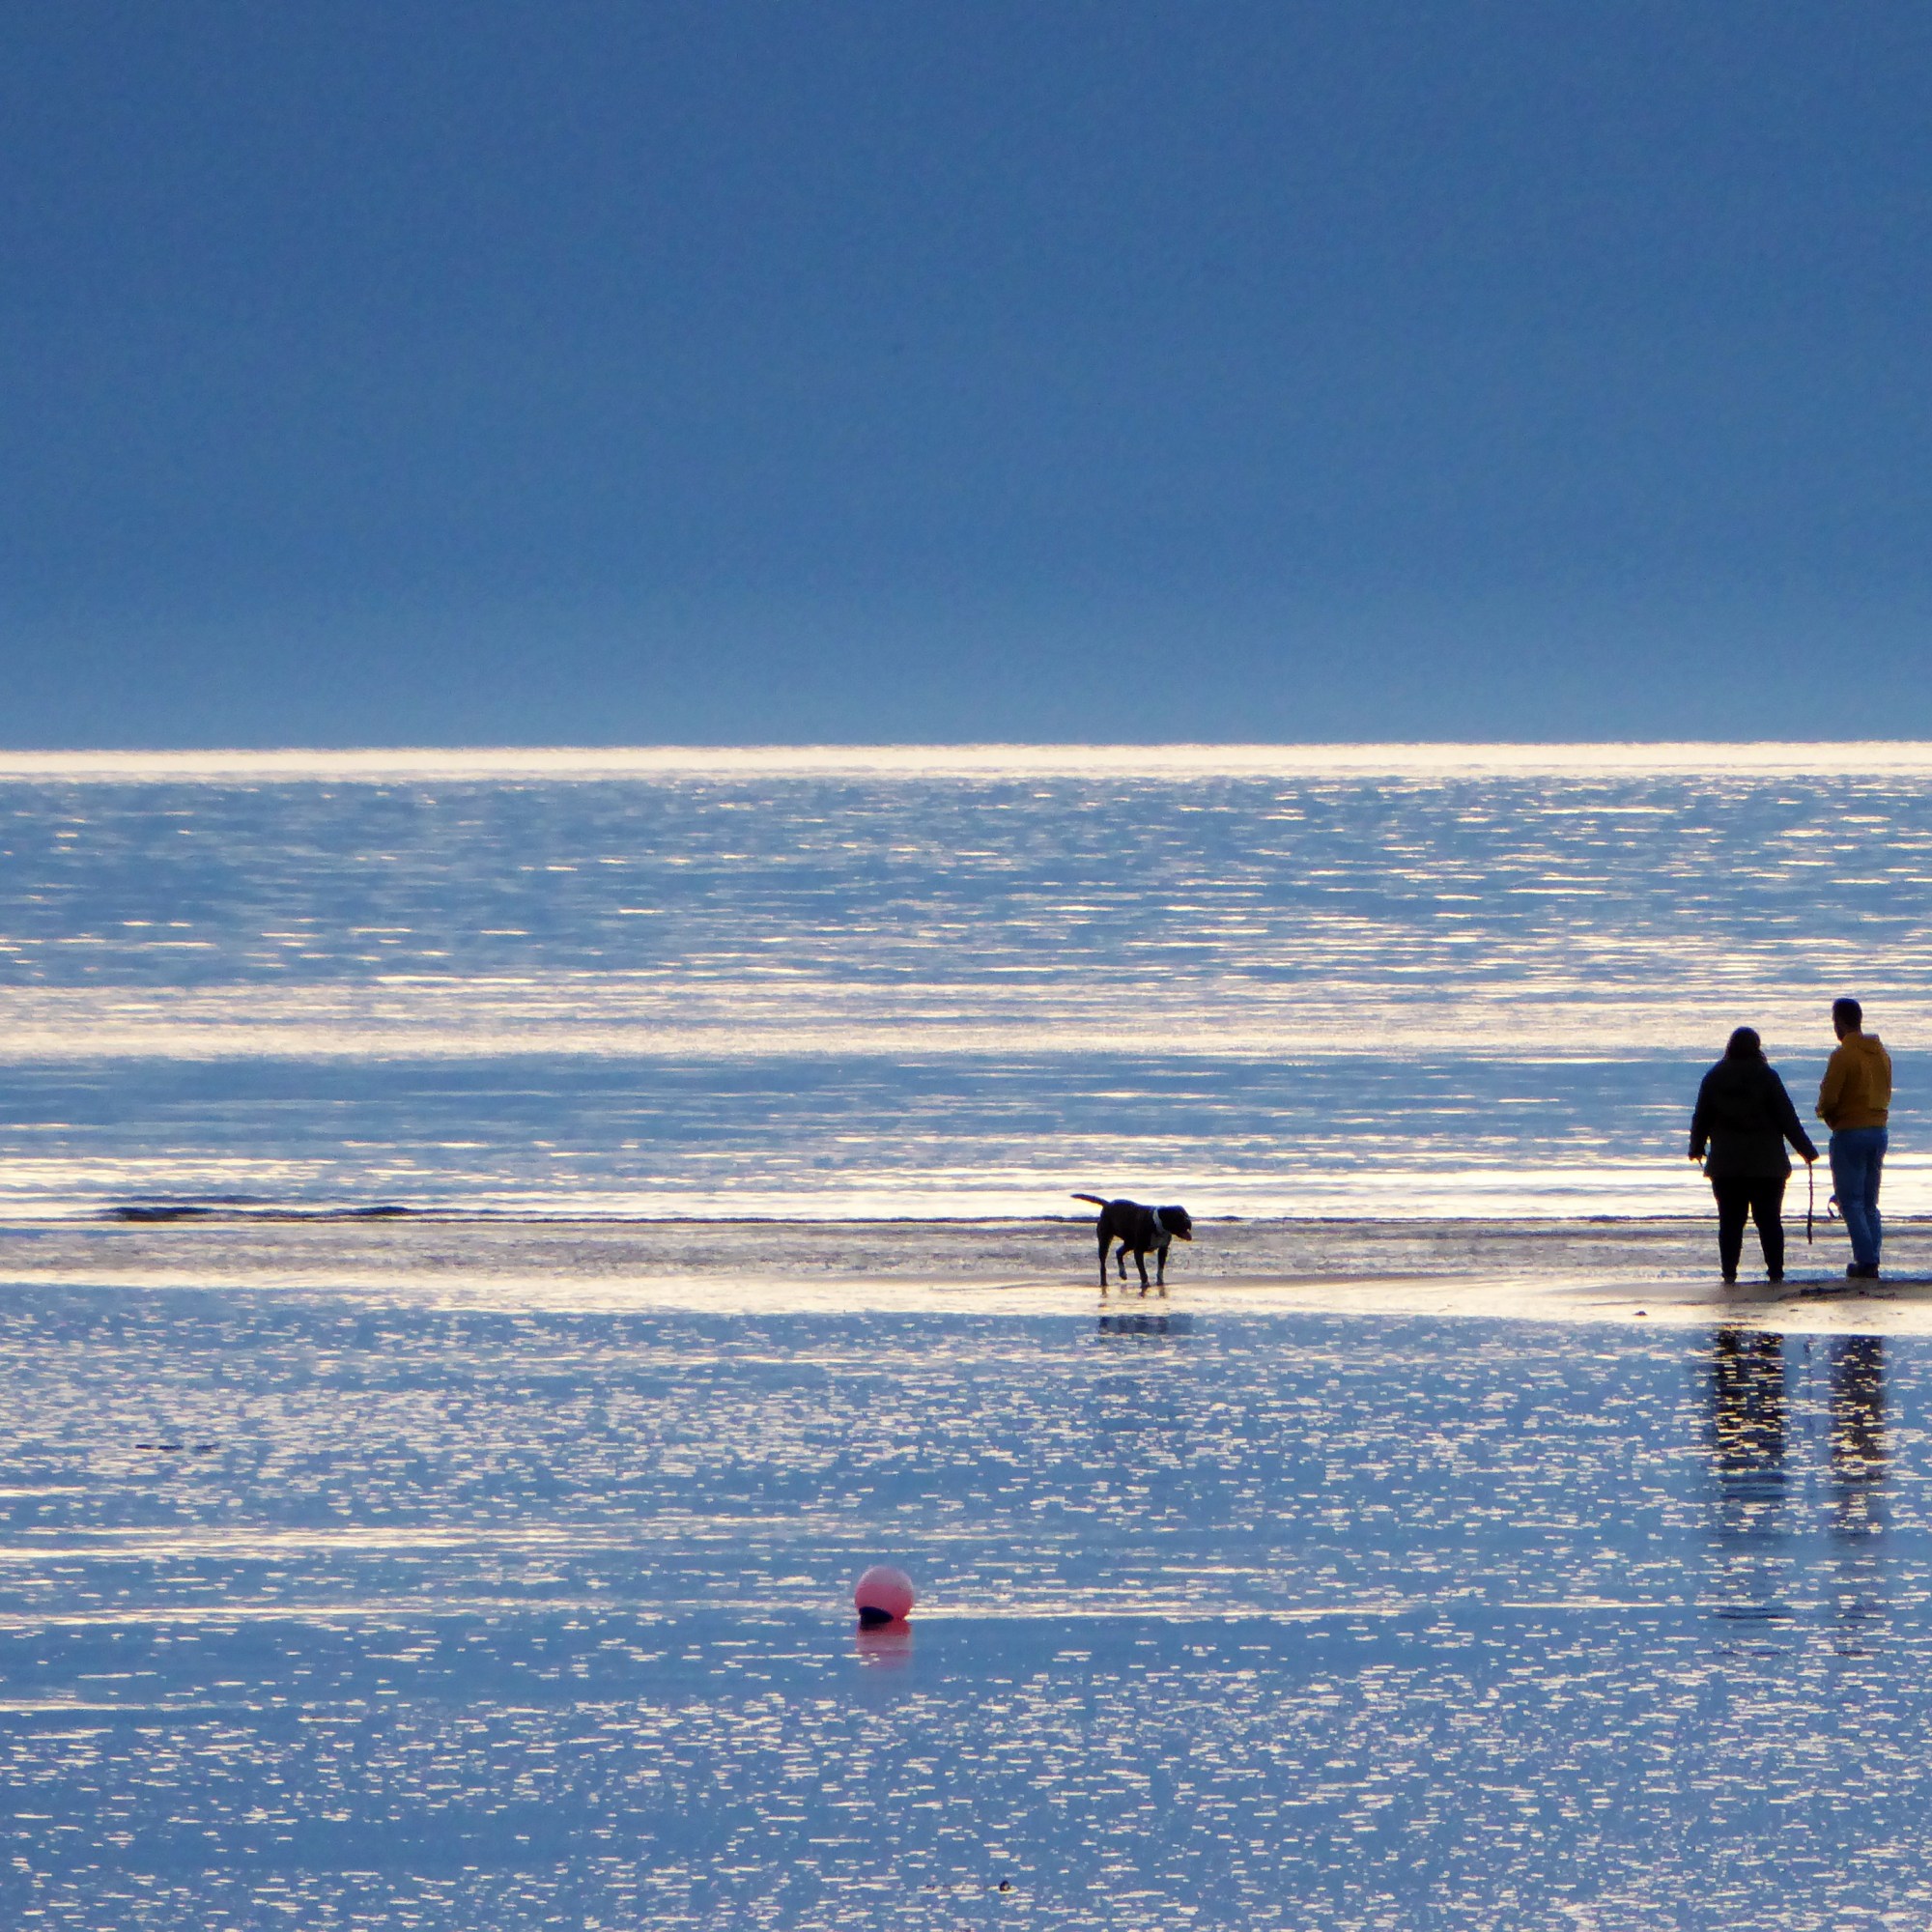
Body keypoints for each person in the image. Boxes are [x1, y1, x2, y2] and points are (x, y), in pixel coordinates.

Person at [1690, 1027, 1817, 1285]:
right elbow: (1787, 1118)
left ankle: (1729, 1273)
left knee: (1730, 1222)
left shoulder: (1714, 1077)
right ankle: (1776, 1272)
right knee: (1769, 1220)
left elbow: (1701, 1117)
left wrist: (1696, 1147)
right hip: (1767, 1166)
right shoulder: (1767, 1076)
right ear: (1757, 1047)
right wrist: (1806, 1150)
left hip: (1726, 1166)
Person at [1817, 996, 1892, 1280]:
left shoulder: (1842, 1055)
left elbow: (1829, 1096)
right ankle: (1871, 1255)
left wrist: (1824, 1113)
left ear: (1840, 1022)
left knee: (1851, 1201)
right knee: (1870, 1202)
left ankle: (1867, 1260)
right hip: (1878, 1129)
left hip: (1849, 1131)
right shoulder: (1880, 1053)